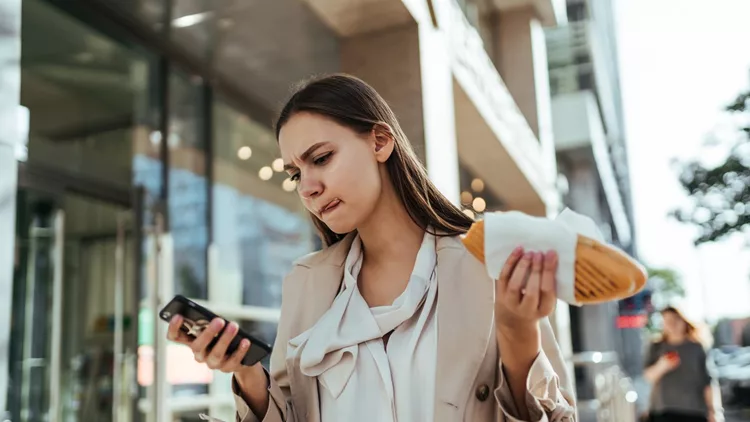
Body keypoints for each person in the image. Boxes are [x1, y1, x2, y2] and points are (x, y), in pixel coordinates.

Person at [167, 74, 576, 421]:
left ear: (380, 141)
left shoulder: (485, 264)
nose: (308, 187)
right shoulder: (307, 284)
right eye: (296, 175)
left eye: (322, 158)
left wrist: (519, 335)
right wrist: (248, 375)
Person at [644, 306, 719, 422]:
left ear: (684, 321)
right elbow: (648, 377)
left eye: (675, 319)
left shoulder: (697, 348)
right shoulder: (657, 347)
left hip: (694, 411)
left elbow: (708, 382)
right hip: (664, 411)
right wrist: (662, 365)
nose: (672, 324)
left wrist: (713, 411)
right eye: (667, 321)